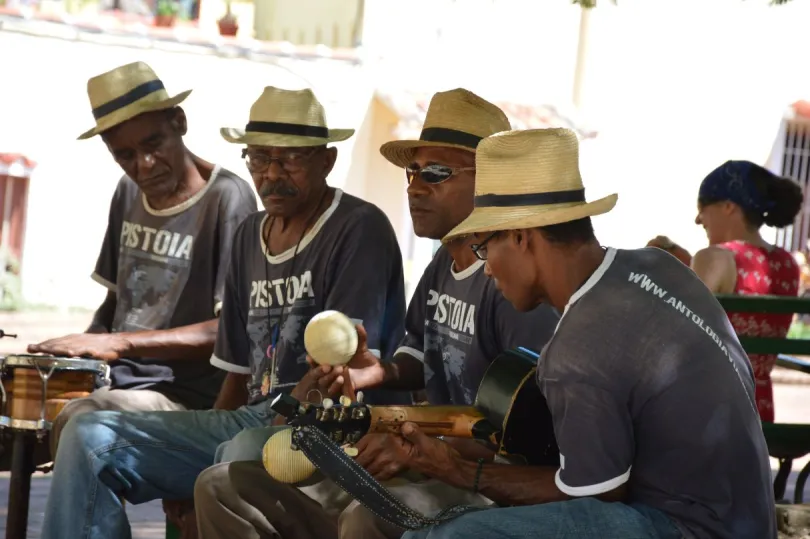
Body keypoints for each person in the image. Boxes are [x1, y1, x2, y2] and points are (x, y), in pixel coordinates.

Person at [39, 86, 408, 539]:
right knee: (86, 435)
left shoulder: (358, 227)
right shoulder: (250, 234)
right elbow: (235, 374)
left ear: (326, 161)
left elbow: (345, 374)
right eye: (258, 159)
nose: (272, 174)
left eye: (289, 159)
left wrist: (204, 464)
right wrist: (180, 466)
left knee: (241, 445)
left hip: (327, 429)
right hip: (251, 417)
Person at [192, 89, 562, 539]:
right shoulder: (443, 264)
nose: (415, 186)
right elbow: (420, 357)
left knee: (363, 515)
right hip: (424, 458)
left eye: (437, 173)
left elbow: (524, 430)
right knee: (224, 484)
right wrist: (375, 372)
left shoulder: (514, 283)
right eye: (412, 171)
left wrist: (417, 445)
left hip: (479, 478)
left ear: (488, 183)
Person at [378, 128, 775, 539]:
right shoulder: (660, 266)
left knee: (447, 537)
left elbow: (595, 494)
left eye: (483, 248)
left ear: (520, 237)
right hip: (747, 520)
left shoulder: (577, 346)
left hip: (689, 529)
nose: (489, 268)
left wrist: (457, 470)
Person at [25, 61, 257, 457]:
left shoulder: (228, 199)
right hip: (116, 380)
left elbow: (232, 331)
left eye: (153, 145)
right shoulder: (127, 192)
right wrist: (74, 351)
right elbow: (116, 305)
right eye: (125, 155)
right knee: (31, 416)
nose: (143, 165)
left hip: (182, 391)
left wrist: (120, 343)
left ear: (179, 122)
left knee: (83, 423)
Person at [647, 160, 803, 421]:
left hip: (710, 411)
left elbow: (675, 338)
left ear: (729, 206)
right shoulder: (787, 263)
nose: (698, 220)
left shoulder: (714, 258)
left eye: (703, 208)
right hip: (760, 412)